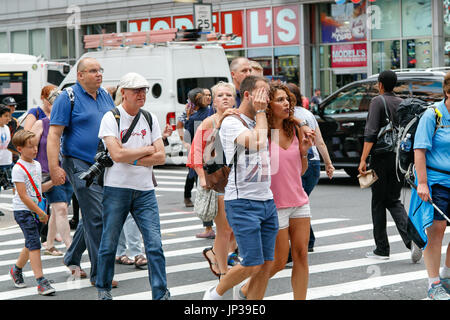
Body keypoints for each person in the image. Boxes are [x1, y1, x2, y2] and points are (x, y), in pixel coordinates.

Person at [203, 75, 278, 300]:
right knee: (252, 263)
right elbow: (258, 142)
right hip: (242, 201)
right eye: (262, 93)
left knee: (266, 264)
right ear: (247, 95)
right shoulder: (232, 122)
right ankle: (213, 295)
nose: (267, 99)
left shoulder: (259, 120)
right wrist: (263, 112)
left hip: (266, 199)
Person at [95, 72, 169, 300]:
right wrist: (147, 150)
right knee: (108, 243)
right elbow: (116, 153)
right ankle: (103, 288)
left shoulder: (149, 117)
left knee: (155, 245)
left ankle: (161, 293)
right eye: (136, 90)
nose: (141, 94)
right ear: (123, 93)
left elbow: (162, 157)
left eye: (144, 90)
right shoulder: (111, 117)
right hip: (117, 188)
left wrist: (132, 158)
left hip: (145, 190)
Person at [239, 82, 314, 300]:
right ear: (269, 105)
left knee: (301, 255)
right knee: (280, 261)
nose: (287, 104)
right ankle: (247, 289)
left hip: (299, 201)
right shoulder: (260, 131)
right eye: (280, 100)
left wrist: (303, 152)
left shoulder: (296, 129)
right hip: (274, 204)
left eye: (288, 100)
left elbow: (300, 171)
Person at [47, 57, 116, 285]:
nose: (98, 74)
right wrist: (54, 167)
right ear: (80, 75)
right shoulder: (67, 98)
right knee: (98, 216)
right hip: (78, 163)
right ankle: (100, 274)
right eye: (93, 71)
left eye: (100, 70)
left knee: (92, 215)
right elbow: (54, 135)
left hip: (104, 163)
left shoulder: (105, 95)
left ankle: (72, 256)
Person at [358, 70, 422, 262]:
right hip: (399, 158)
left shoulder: (378, 101)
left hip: (381, 157)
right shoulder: (402, 102)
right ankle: (412, 240)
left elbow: (370, 133)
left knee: (378, 202)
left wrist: (363, 159)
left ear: (380, 84)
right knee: (393, 200)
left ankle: (382, 248)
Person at [187, 81, 240, 278]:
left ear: (235, 100)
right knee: (224, 228)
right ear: (213, 102)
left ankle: (216, 254)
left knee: (235, 227)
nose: (225, 98)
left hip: (239, 179)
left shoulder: (240, 120)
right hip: (218, 179)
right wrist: (202, 178)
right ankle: (224, 270)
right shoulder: (210, 122)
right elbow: (195, 153)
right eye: (220, 95)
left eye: (229, 95)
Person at [409, 72, 450, 300]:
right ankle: (433, 283)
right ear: (448, 92)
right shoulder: (432, 115)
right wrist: (422, 183)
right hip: (435, 181)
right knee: (437, 230)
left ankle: (447, 277)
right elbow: (420, 150)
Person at [288, 83, 334, 252]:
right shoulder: (308, 114)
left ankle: (306, 241)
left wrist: (328, 164)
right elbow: (319, 141)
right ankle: (308, 241)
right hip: (313, 164)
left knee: (296, 204)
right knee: (299, 202)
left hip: (301, 162)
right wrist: (328, 164)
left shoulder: (286, 117)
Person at [9, 130, 55, 295]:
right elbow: (22, 195)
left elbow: (37, 189)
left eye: (36, 145)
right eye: (30, 147)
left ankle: (16, 270)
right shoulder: (18, 168)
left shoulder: (36, 165)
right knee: (34, 243)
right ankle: (41, 281)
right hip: (24, 211)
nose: (35, 149)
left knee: (31, 243)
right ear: (20, 149)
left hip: (37, 210)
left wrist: (53, 183)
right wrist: (40, 213)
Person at [30, 88, 73, 256]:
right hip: (48, 172)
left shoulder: (68, 124)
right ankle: (70, 248)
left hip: (67, 171)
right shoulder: (42, 123)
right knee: (61, 208)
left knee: (57, 210)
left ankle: (49, 244)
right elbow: (28, 145)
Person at [184, 88, 216, 238]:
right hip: (209, 157)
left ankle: (209, 228)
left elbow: (188, 138)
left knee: (206, 193)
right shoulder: (207, 114)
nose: (208, 97)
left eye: (210, 95)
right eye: (205, 96)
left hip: (205, 157)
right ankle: (212, 227)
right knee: (211, 193)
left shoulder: (199, 116)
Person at [0, 105, 13, 217]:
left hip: (6, 162)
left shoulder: (7, 128)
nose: (8, 119)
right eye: (5, 116)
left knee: (11, 185)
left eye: (9, 116)